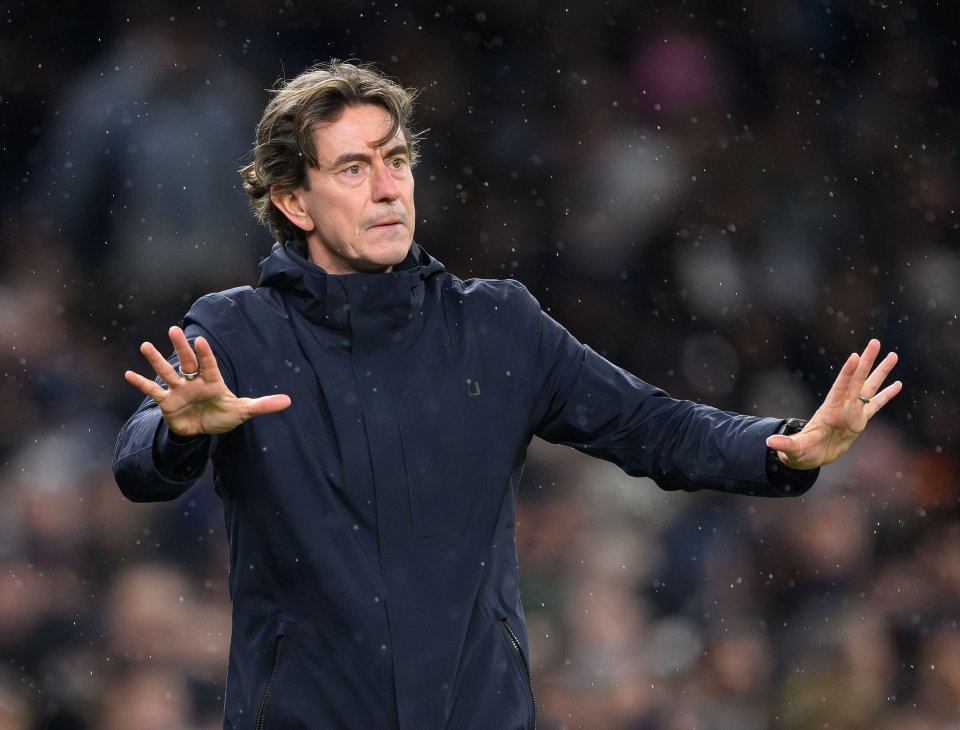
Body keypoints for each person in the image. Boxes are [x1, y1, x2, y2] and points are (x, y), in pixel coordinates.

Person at [112, 60, 902, 729]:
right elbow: (136, 463)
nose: (388, 188)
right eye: (354, 168)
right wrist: (180, 434)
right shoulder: (236, 331)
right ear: (293, 200)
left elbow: (650, 425)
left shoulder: (496, 325)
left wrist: (783, 448)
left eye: (396, 160)